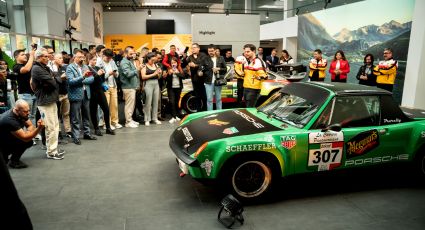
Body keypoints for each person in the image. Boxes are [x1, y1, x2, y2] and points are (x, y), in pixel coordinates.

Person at [31, 48, 64, 160]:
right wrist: (55, 79)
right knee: (50, 127)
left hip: (51, 100)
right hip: (45, 102)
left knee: (55, 126)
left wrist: (53, 79)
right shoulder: (36, 68)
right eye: (45, 56)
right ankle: (51, 152)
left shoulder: (45, 67)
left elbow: (52, 79)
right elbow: (52, 82)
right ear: (39, 57)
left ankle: (53, 149)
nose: (48, 57)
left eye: (48, 55)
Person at [0, 100, 45, 167]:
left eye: (28, 110)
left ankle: (11, 158)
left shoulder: (22, 113)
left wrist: (28, 133)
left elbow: (30, 125)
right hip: (2, 144)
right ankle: (13, 161)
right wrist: (39, 128)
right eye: (25, 111)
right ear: (17, 110)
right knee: (26, 141)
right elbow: (25, 138)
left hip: (7, 139)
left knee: (29, 141)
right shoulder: (10, 120)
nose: (28, 113)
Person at [66, 49, 97, 145]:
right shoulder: (70, 68)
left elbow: (91, 79)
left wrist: (81, 80)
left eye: (83, 57)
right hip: (75, 95)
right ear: (74, 57)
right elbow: (70, 82)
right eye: (79, 57)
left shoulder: (85, 66)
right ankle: (76, 136)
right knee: (75, 117)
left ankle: (87, 133)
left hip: (86, 94)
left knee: (86, 115)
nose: (82, 58)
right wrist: (83, 77)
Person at [87, 52, 115, 136]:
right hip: (92, 91)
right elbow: (89, 80)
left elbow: (101, 80)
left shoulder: (97, 67)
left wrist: (102, 74)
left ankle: (108, 127)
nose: (95, 61)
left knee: (106, 109)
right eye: (93, 60)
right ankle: (96, 128)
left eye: (95, 59)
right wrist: (97, 74)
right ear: (89, 60)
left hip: (99, 90)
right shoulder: (87, 69)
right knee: (93, 110)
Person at [199, 44, 227, 111]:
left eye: (212, 51)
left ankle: (219, 112)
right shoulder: (205, 59)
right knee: (209, 99)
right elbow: (200, 68)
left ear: (215, 50)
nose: (210, 52)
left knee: (218, 98)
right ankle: (210, 114)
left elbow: (225, 69)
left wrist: (218, 68)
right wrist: (200, 72)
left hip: (218, 82)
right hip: (208, 82)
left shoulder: (221, 58)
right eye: (209, 51)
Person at [99, 49, 121, 130]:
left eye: (110, 58)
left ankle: (115, 122)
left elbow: (117, 73)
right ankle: (106, 123)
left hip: (113, 86)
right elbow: (100, 77)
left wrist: (115, 73)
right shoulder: (99, 64)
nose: (109, 59)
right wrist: (109, 73)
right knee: (106, 106)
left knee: (114, 105)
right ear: (103, 56)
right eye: (108, 58)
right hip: (105, 87)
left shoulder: (112, 62)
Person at [13, 47, 36, 124]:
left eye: (25, 54)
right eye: (22, 55)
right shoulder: (16, 66)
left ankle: (33, 134)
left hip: (33, 94)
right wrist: (31, 55)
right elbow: (26, 69)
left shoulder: (27, 65)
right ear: (16, 57)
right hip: (25, 95)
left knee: (33, 115)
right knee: (25, 116)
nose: (25, 56)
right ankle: (26, 134)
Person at [119, 46, 140, 128]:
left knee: (131, 105)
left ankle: (130, 119)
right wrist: (137, 69)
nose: (132, 55)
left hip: (131, 86)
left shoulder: (129, 61)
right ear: (125, 53)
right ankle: (128, 122)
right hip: (128, 87)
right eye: (130, 54)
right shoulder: (124, 62)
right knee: (129, 105)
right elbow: (128, 74)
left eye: (133, 53)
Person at [52, 53, 72, 139]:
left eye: (62, 58)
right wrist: (61, 77)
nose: (61, 60)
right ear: (54, 59)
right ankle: (59, 131)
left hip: (65, 94)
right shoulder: (52, 69)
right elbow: (54, 81)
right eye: (59, 58)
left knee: (66, 113)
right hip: (57, 94)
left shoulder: (64, 68)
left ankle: (68, 130)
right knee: (57, 114)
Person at [141, 52, 162, 126]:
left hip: (156, 84)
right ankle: (147, 119)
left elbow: (159, 77)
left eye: (154, 60)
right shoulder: (144, 66)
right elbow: (143, 77)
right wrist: (154, 74)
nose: (153, 61)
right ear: (149, 58)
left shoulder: (156, 65)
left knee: (156, 101)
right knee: (148, 102)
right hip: (148, 84)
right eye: (152, 60)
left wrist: (159, 73)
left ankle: (154, 118)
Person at [187, 43, 207, 112]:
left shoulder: (203, 55)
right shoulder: (190, 57)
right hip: (194, 79)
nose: (193, 49)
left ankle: (205, 111)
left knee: (204, 96)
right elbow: (184, 64)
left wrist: (195, 65)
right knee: (197, 96)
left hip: (203, 79)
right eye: (192, 48)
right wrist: (188, 65)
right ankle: (198, 111)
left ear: (199, 48)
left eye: (194, 47)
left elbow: (203, 65)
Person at [166, 57, 184, 123]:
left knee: (177, 102)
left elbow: (183, 76)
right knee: (172, 102)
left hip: (178, 88)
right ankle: (173, 117)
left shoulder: (179, 69)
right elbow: (166, 80)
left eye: (175, 62)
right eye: (172, 63)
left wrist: (177, 73)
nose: (173, 64)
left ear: (177, 63)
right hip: (171, 88)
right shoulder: (169, 69)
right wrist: (169, 74)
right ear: (170, 64)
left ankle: (177, 115)